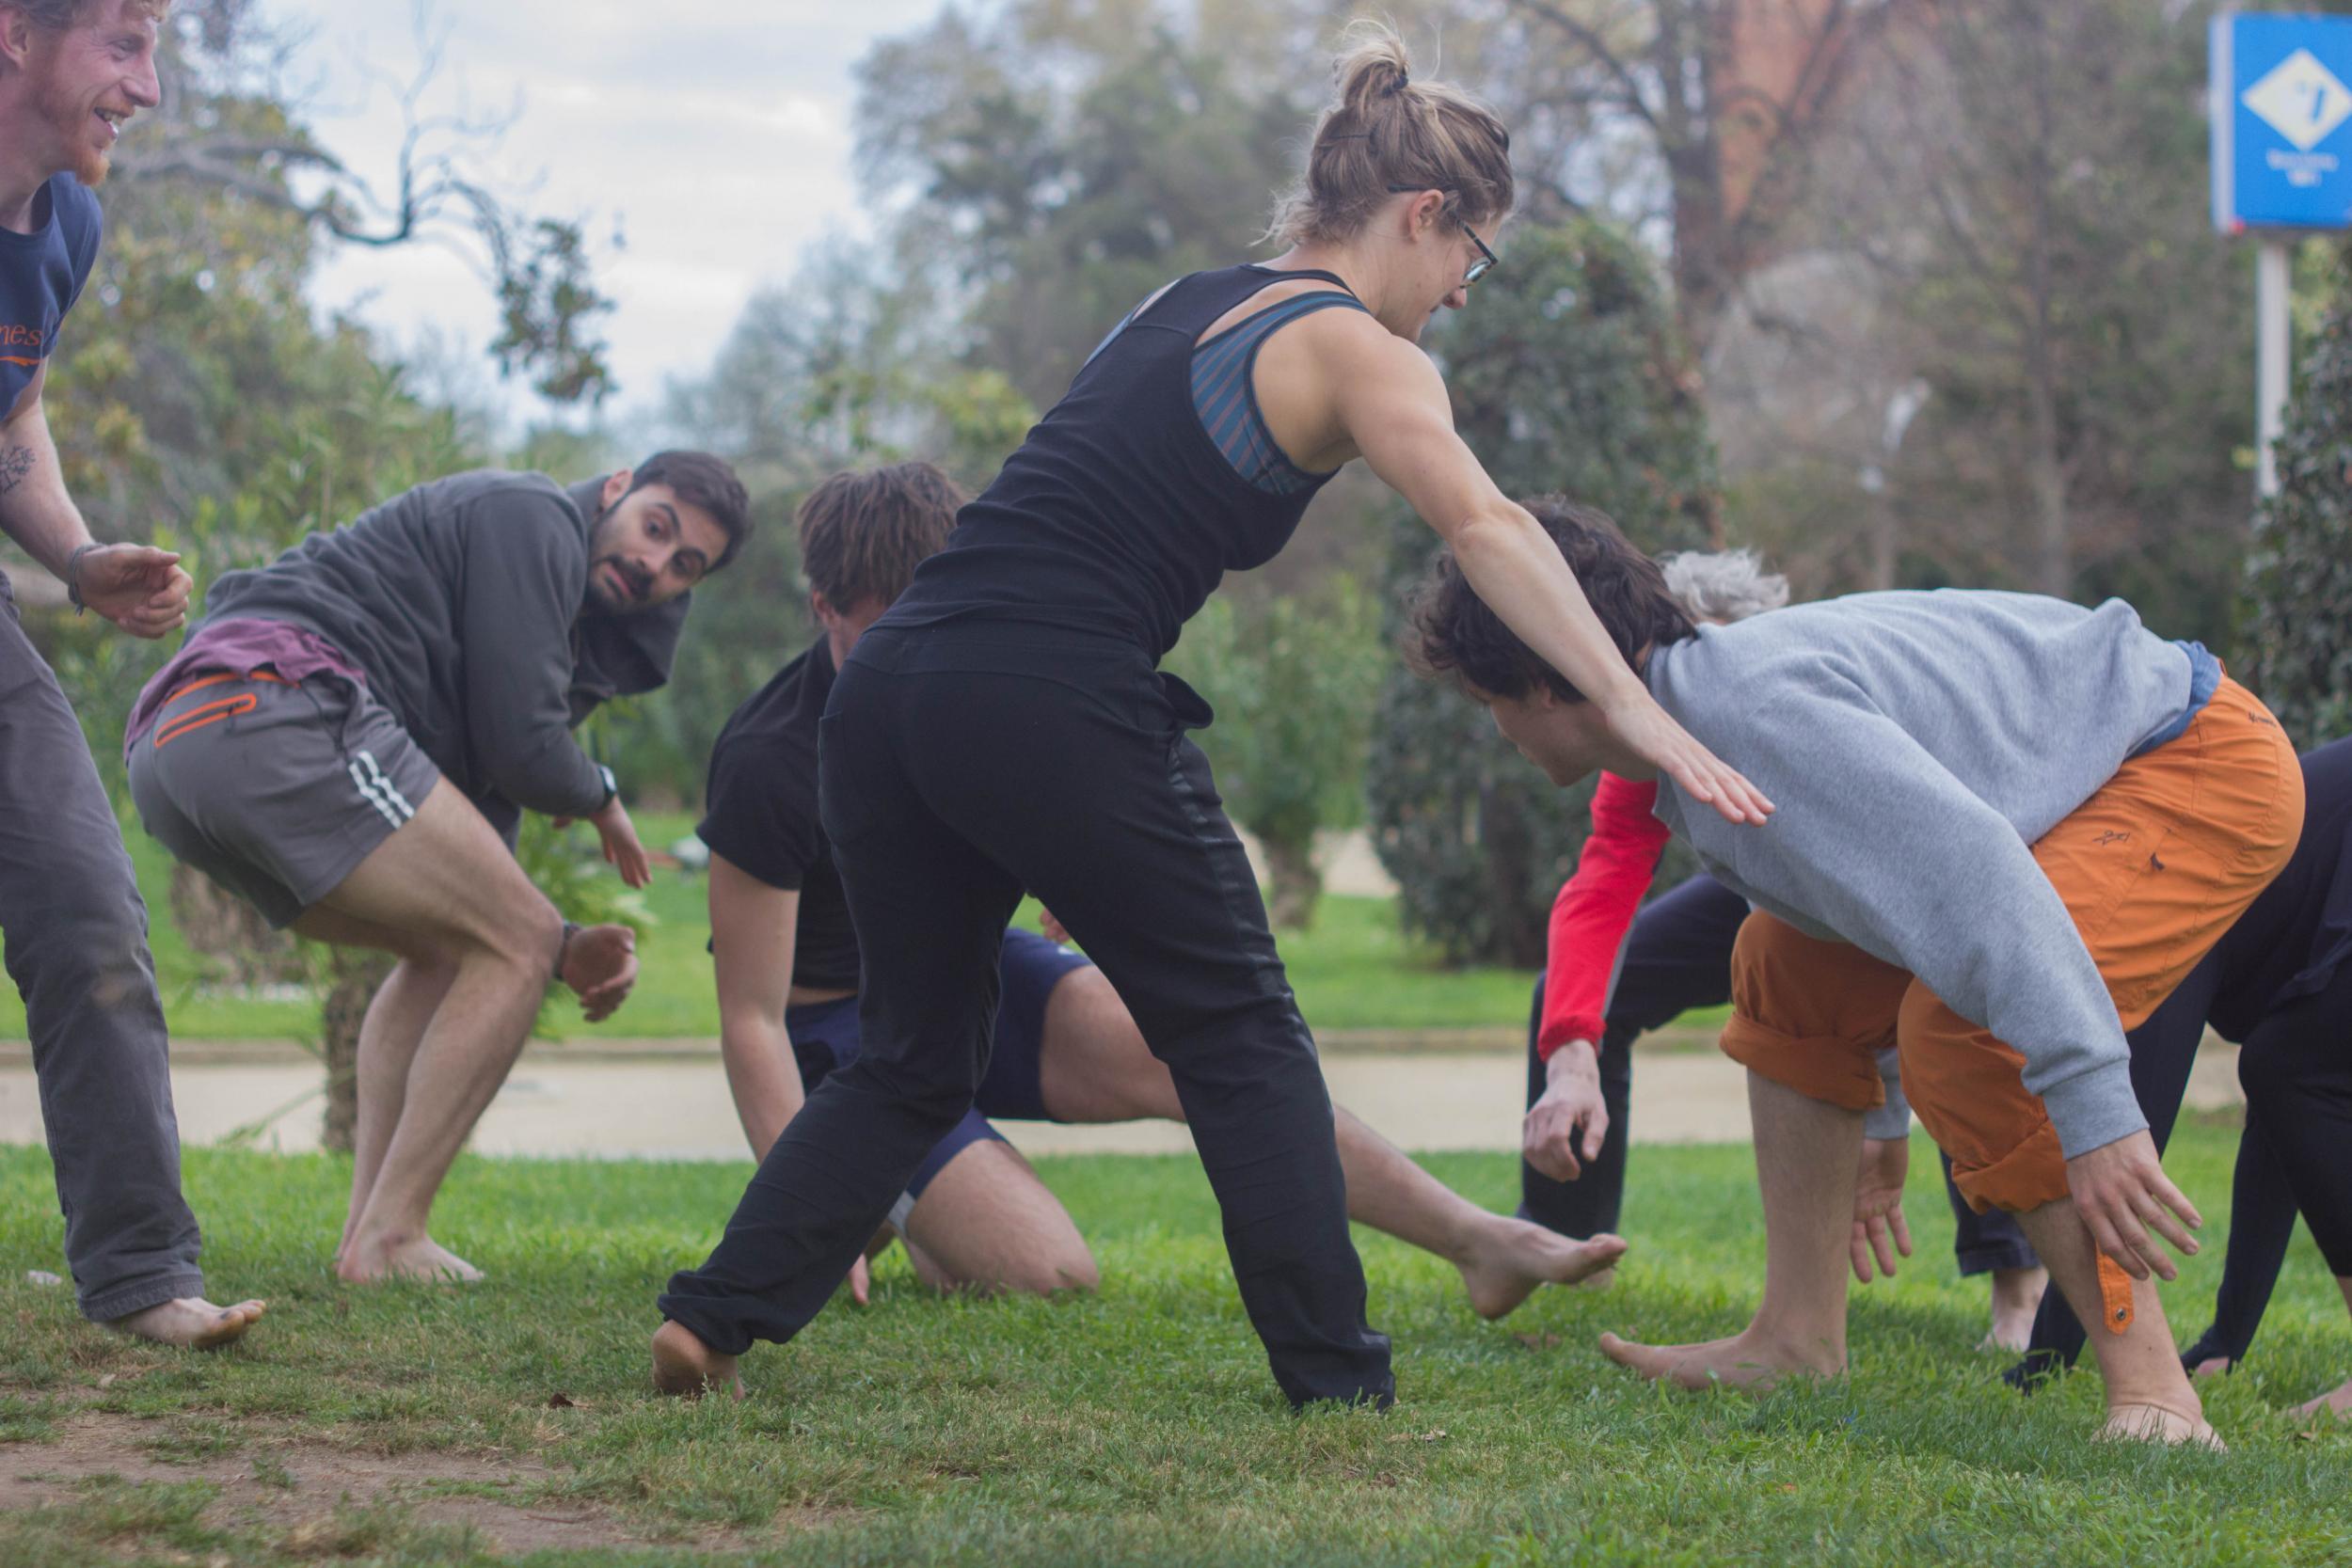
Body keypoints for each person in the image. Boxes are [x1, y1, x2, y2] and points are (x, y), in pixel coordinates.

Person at [649, 24, 1770, 1411]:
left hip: (892, 686)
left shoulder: (1189, 298)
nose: (1462, 296)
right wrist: (1634, 708)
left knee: (913, 1050)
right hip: (1045, 684)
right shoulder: (1360, 349)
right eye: (1471, 259)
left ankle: (713, 1315)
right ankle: (1338, 1380)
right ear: (1424, 217)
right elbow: (1486, 524)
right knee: (1239, 1032)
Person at [1407, 499, 2301, 1446]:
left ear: (1542, 686)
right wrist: (1877, 1117)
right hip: (2098, 778)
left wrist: (2096, 1113)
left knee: (1966, 1038)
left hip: (2196, 759)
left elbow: (1975, 881)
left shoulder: (1748, 713)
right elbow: (1866, 903)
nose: (1497, 727)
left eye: (1489, 701)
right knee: (1776, 962)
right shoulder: (1688, 723)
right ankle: (1794, 1336)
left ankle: (2158, 1395)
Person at [703, 461, 1627, 1315]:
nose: (922, 651)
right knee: (1045, 1273)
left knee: (1210, 1043)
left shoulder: (981, 674)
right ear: (823, 607)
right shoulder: (767, 761)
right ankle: (877, 1196)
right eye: (885, 626)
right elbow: (752, 1014)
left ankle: (1474, 1239)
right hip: (843, 1028)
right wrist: (797, 1224)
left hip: (974, 976)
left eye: (941, 614)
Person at [125, 453, 749, 1283]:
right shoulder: (531, 515)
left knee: (459, 945)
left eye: (684, 567)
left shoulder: (528, 609)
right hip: (275, 698)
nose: (654, 563)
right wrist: (599, 796)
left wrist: (557, 942)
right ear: (616, 487)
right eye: (656, 525)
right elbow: (524, 746)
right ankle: (393, 1233)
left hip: (187, 743)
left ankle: (369, 1236)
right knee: (511, 939)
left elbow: (477, 836)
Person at [1521, 550, 2050, 1352]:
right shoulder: (1651, 725)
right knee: (1581, 993)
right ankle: (1563, 1243)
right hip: (1762, 890)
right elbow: (1602, 882)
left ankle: (2018, 1287)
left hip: (1922, 886)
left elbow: (1899, 927)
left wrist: (1885, 1112)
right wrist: (1571, 1044)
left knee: (1954, 1020)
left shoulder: (1815, 711)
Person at [0, 0, 263, 1348]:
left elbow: (16, 406)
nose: (148, 87)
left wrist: (76, 547)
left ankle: (142, 1275)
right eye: (122, 44)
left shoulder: (67, 230)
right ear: (15, 37)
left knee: (89, 913)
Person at [1985, 736, 2351, 1425]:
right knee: (2289, 1067)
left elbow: (2119, 1137)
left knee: (2283, 1067)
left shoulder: (2166, 883)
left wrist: (2045, 1361)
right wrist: (2228, 1339)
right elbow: (2284, 1114)